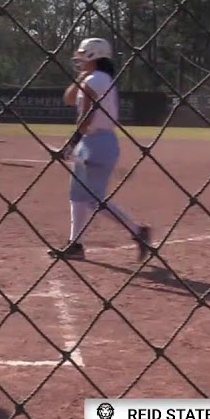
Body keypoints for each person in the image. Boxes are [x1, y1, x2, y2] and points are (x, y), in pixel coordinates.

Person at [48, 37, 151, 261]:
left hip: (97, 143)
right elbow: (68, 98)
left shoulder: (96, 80)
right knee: (77, 195)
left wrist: (71, 145)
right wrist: (81, 77)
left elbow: (85, 119)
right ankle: (75, 244)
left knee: (95, 199)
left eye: (83, 55)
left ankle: (138, 231)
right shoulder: (95, 78)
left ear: (94, 55)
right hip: (93, 141)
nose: (79, 59)